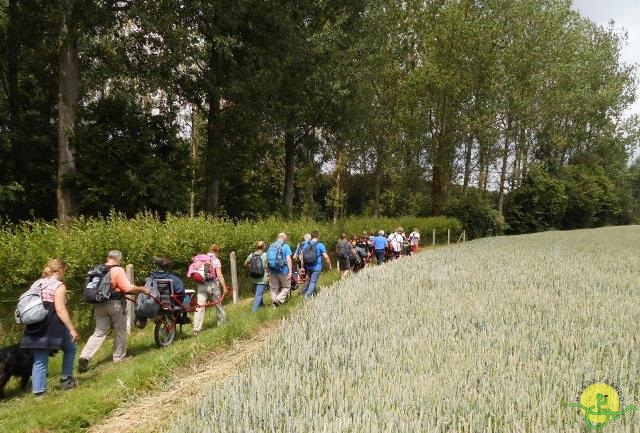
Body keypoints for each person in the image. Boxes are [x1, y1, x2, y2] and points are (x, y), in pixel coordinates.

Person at [78, 250, 150, 373]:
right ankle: (119, 358)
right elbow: (127, 288)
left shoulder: (99, 270)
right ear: (119, 259)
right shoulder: (117, 270)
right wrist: (142, 289)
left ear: (108, 258)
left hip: (99, 305)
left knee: (99, 333)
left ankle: (84, 357)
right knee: (120, 330)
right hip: (114, 305)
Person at [20, 259, 79, 396]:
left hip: (35, 323)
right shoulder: (59, 286)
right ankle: (66, 379)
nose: (66, 272)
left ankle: (39, 392)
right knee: (70, 348)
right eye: (66, 270)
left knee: (41, 357)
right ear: (61, 270)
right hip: (52, 323)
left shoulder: (37, 283)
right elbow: (60, 309)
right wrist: (71, 328)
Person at [192, 245, 228, 334]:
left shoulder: (201, 259)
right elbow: (219, 274)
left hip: (201, 285)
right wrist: (224, 287)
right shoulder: (215, 260)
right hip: (213, 285)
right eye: (219, 252)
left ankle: (196, 329)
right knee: (218, 304)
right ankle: (222, 324)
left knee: (199, 307)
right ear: (216, 252)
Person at [148, 257, 190, 323]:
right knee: (186, 297)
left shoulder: (152, 278)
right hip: (171, 303)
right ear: (168, 267)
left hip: (157, 302)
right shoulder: (173, 278)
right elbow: (180, 291)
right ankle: (183, 318)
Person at [300, 231, 331, 299]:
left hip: (308, 266)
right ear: (318, 236)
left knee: (311, 280)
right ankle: (307, 296)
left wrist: (302, 267)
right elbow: (326, 257)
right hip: (316, 267)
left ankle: (313, 295)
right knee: (313, 282)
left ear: (311, 236)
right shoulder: (320, 245)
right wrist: (329, 265)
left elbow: (302, 257)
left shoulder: (306, 245)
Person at [267, 233, 293, 307]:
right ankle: (278, 300)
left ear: (278, 237)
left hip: (272, 270)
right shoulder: (286, 246)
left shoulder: (271, 246)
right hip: (283, 270)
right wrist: (290, 271)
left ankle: (274, 306)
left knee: (274, 288)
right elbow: (288, 259)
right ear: (284, 238)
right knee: (286, 287)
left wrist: (268, 271)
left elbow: (268, 259)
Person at [244, 241, 269, 312]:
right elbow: (267, 266)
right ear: (263, 246)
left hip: (254, 277)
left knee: (258, 293)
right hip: (263, 277)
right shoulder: (265, 255)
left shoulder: (252, 254)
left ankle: (262, 306)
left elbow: (245, 264)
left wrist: (252, 267)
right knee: (258, 294)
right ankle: (253, 311)